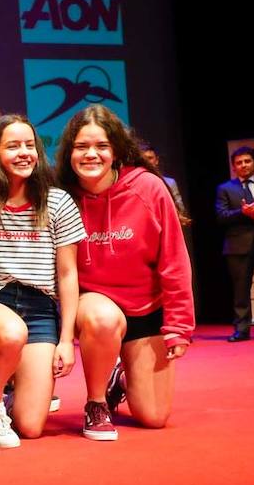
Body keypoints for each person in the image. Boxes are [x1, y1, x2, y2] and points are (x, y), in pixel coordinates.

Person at [56, 104, 194, 439]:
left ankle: (120, 374)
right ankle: (96, 402)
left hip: (146, 308)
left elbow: (174, 260)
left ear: (116, 150)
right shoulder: (60, 195)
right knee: (103, 319)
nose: (91, 154)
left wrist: (178, 325)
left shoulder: (148, 188)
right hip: (94, 306)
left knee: (154, 417)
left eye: (101, 146)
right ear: (69, 152)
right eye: (82, 147)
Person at [0, 115, 84, 442]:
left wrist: (66, 340)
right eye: (13, 146)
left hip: (40, 308)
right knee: (12, 331)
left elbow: (68, 273)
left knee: (31, 426)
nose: (24, 153)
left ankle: (5, 393)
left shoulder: (57, 201)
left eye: (29, 145)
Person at [215, 146, 254, 341]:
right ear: (234, 166)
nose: (243, 165)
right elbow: (221, 216)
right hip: (238, 247)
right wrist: (243, 212)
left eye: (247, 161)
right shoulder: (225, 188)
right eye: (239, 162)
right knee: (241, 291)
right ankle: (242, 330)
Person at [139, 141, 186, 213]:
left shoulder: (170, 183)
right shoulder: (135, 184)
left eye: (150, 158)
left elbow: (180, 209)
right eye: (144, 159)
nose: (147, 162)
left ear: (156, 160)